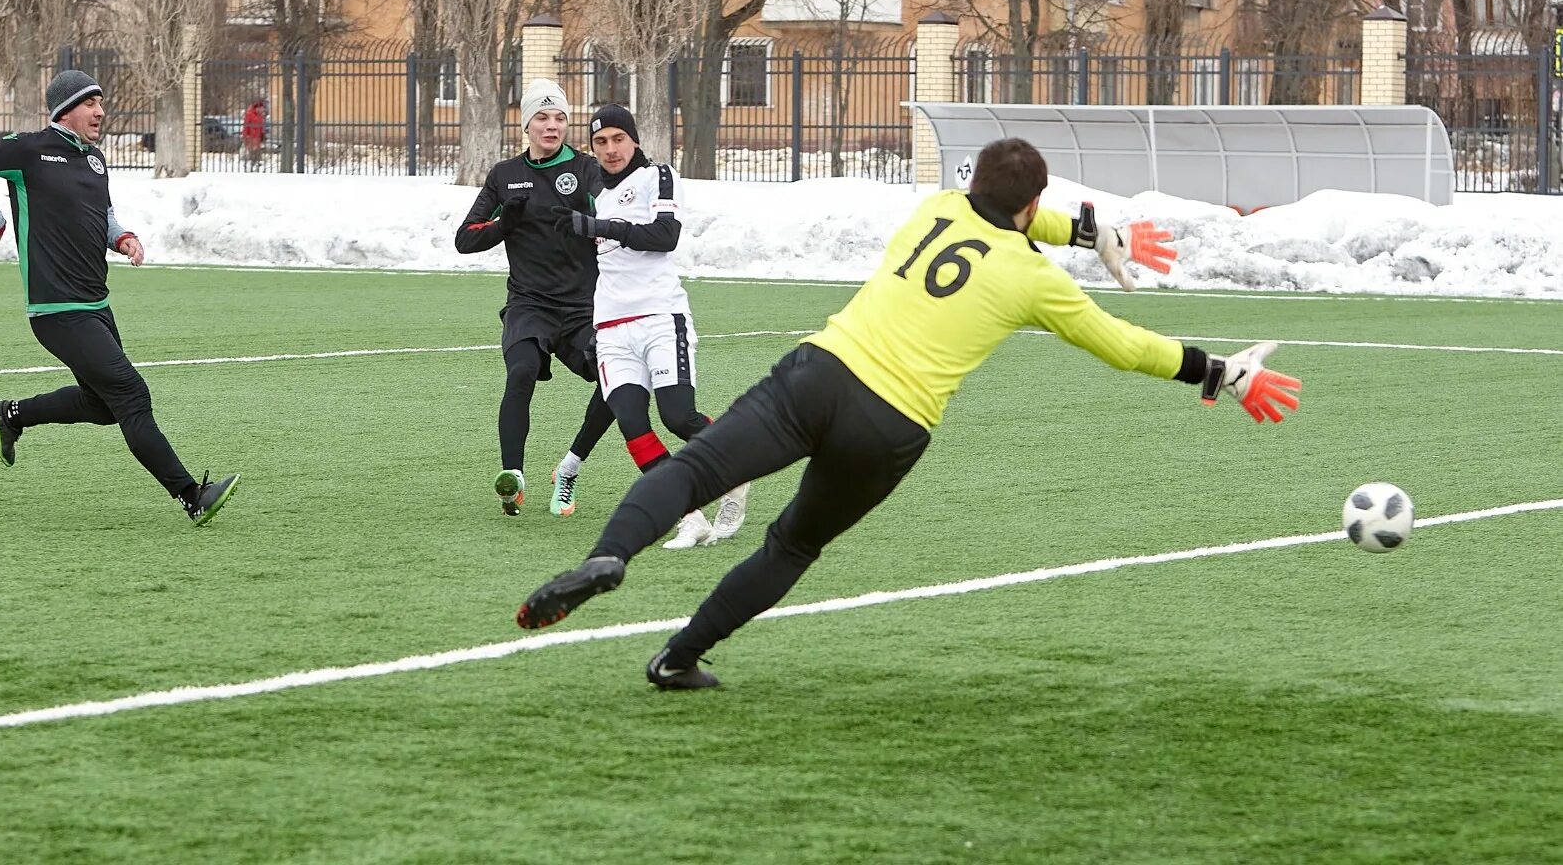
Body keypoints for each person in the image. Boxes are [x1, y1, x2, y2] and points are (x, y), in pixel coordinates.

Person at [517, 137, 1301, 689]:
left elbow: (1006, 213)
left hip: (821, 372)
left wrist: (1092, 230)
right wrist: (1221, 372)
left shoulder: (935, 207)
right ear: (1033, 206)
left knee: (692, 469)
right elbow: (1125, 346)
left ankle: (613, 553)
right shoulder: (1036, 281)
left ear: (974, 189)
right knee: (791, 544)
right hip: (890, 426)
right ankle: (678, 658)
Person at [0, 70, 240, 525]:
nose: (101, 112)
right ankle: (191, 496)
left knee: (102, 405)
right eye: (91, 103)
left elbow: (101, 215)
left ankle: (12, 414)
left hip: (96, 306)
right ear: (66, 108)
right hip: (56, 311)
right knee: (131, 394)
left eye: (101, 103)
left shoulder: (96, 160)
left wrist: (121, 237)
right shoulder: (28, 149)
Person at [549, 104, 749, 549]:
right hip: (612, 328)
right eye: (600, 142)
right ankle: (690, 518)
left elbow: (665, 236)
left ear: (634, 140)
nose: (610, 149)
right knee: (632, 424)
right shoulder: (594, 192)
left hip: (660, 317)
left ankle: (737, 471)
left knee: (678, 417)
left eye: (618, 139)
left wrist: (599, 226)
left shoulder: (657, 176)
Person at [454, 78, 615, 516]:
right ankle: (514, 479)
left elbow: (621, 220)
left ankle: (570, 467)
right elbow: (465, 239)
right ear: (526, 124)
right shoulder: (505, 176)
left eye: (560, 117)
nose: (552, 125)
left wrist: (595, 225)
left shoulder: (587, 171)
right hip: (529, 305)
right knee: (521, 371)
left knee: (618, 382)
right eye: (542, 117)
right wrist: (504, 224)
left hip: (584, 308)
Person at [241, 99, 267, 170]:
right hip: (251, 136)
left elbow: (262, 126)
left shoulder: (261, 116)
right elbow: (246, 126)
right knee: (251, 150)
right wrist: (245, 135)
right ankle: (250, 164)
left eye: (262, 108)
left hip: (258, 136)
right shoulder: (250, 114)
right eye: (261, 108)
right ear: (257, 108)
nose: (262, 109)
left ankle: (255, 163)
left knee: (257, 151)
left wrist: (263, 134)